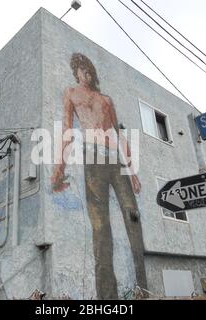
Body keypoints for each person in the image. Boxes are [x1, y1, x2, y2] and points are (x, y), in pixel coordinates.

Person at [51, 53, 148, 299]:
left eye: (89, 69)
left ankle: (143, 288)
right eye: (82, 70)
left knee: (132, 218)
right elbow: (67, 130)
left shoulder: (106, 99)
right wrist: (59, 169)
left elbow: (118, 133)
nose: (87, 73)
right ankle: (107, 298)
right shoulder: (72, 94)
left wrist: (133, 172)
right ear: (76, 73)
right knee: (100, 227)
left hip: (116, 160)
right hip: (93, 160)